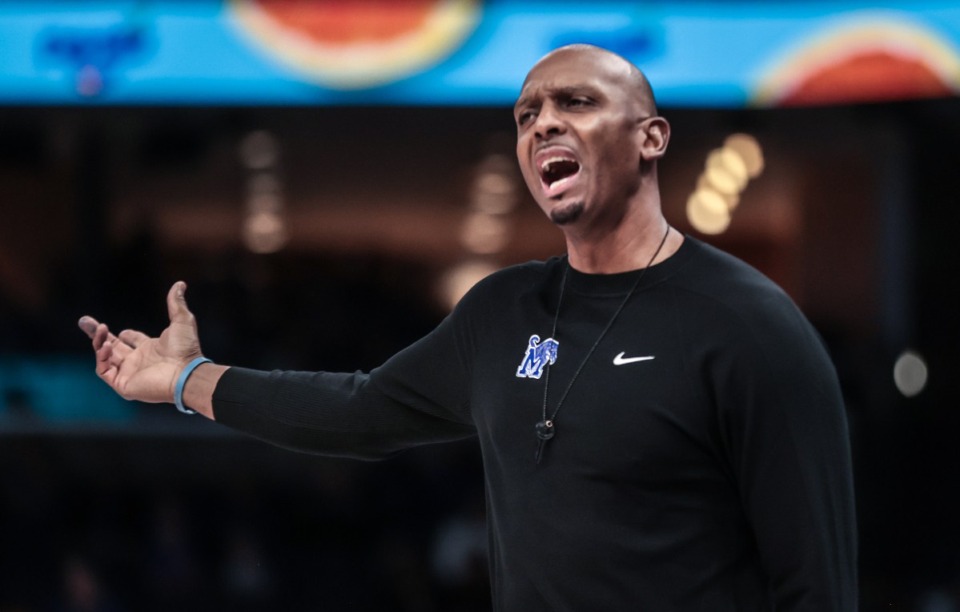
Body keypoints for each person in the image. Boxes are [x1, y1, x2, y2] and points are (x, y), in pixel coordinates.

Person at [79, 44, 857, 610]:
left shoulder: (749, 325)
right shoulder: (500, 312)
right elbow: (357, 412)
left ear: (651, 137)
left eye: (575, 103)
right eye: (527, 115)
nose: (543, 124)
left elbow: (815, 584)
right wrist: (183, 381)